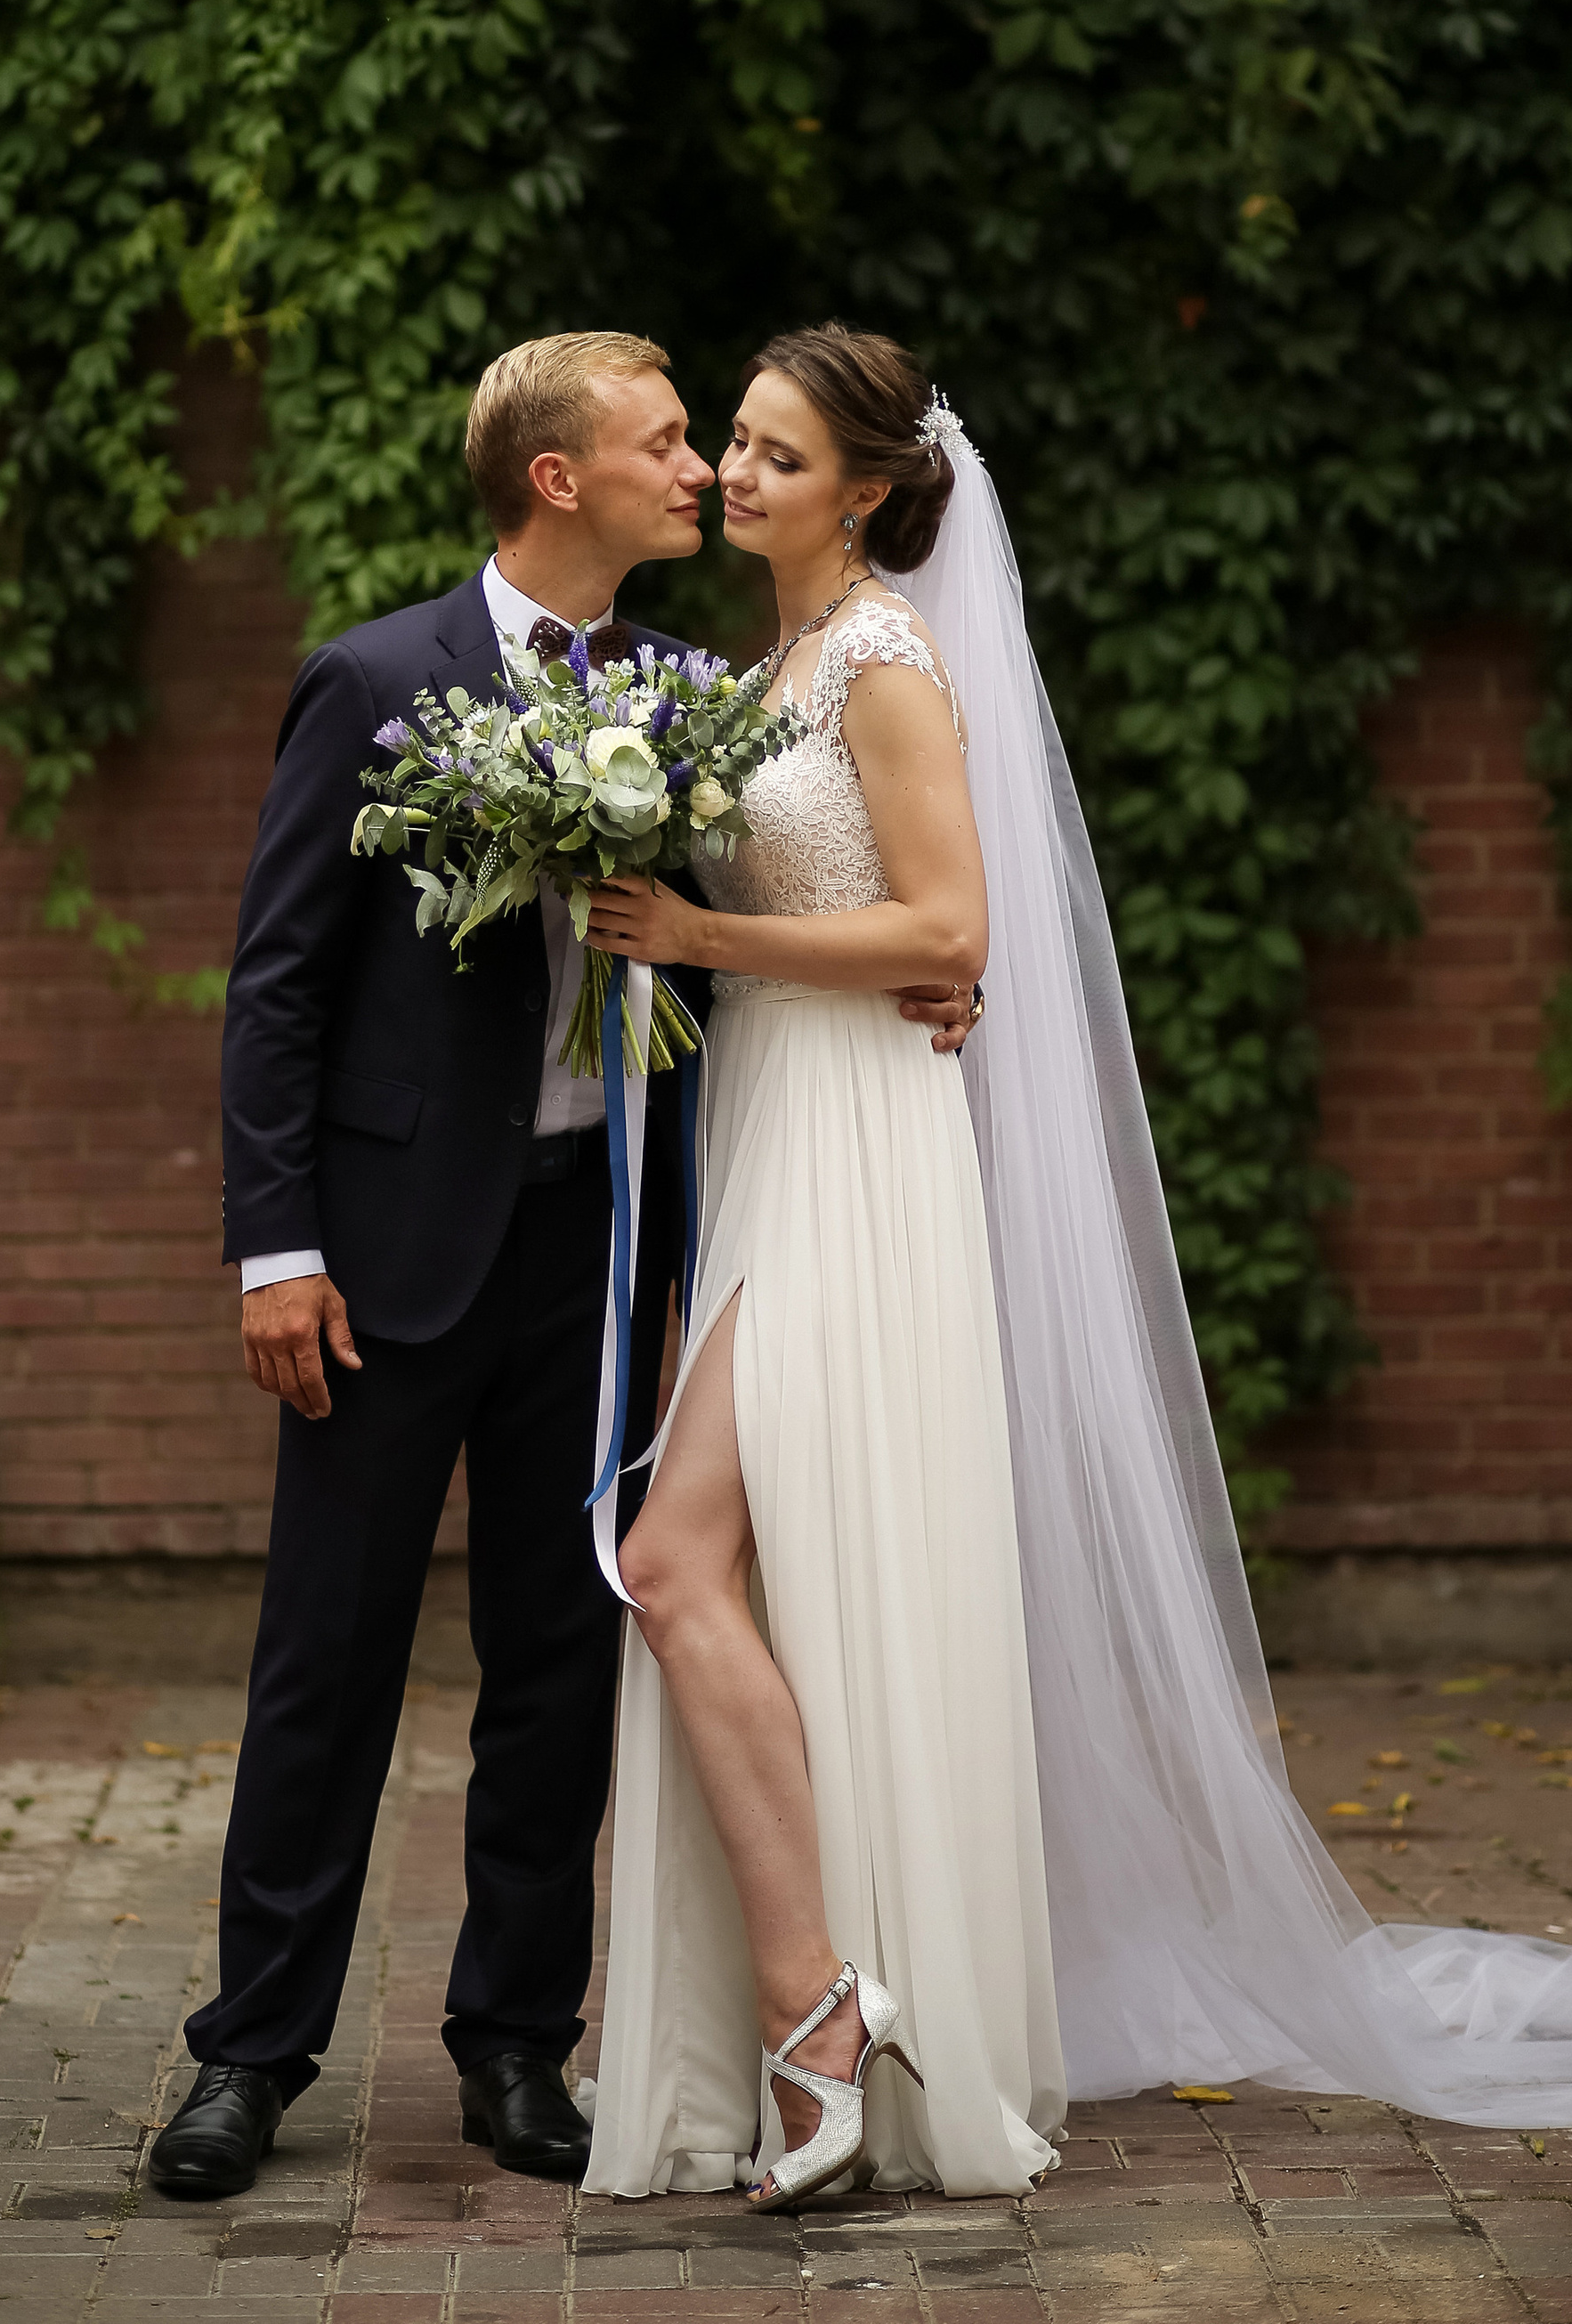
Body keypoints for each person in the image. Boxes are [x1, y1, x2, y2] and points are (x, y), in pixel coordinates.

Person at [581, 321, 1572, 2208]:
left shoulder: (879, 658)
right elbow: (881, 926)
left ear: (865, 489)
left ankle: (821, 2008)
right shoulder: (759, 666)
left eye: (777, 456)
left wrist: (700, 931)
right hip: (771, 1133)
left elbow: (951, 924)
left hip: (860, 1154)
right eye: (738, 447)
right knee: (749, 1576)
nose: (738, 477)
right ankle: (810, 2015)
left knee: (670, 1556)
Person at [152, 331, 975, 2203]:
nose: (697, 468)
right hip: (377, 1257)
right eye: (666, 441)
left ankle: (513, 2049)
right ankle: (248, 2055)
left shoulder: (705, 694)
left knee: (554, 1660)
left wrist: (939, 962)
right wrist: (272, 1247)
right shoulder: (373, 676)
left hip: (595, 1246)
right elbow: (275, 989)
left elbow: (815, 889)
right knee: (326, 1660)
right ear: (556, 478)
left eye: (712, 440)